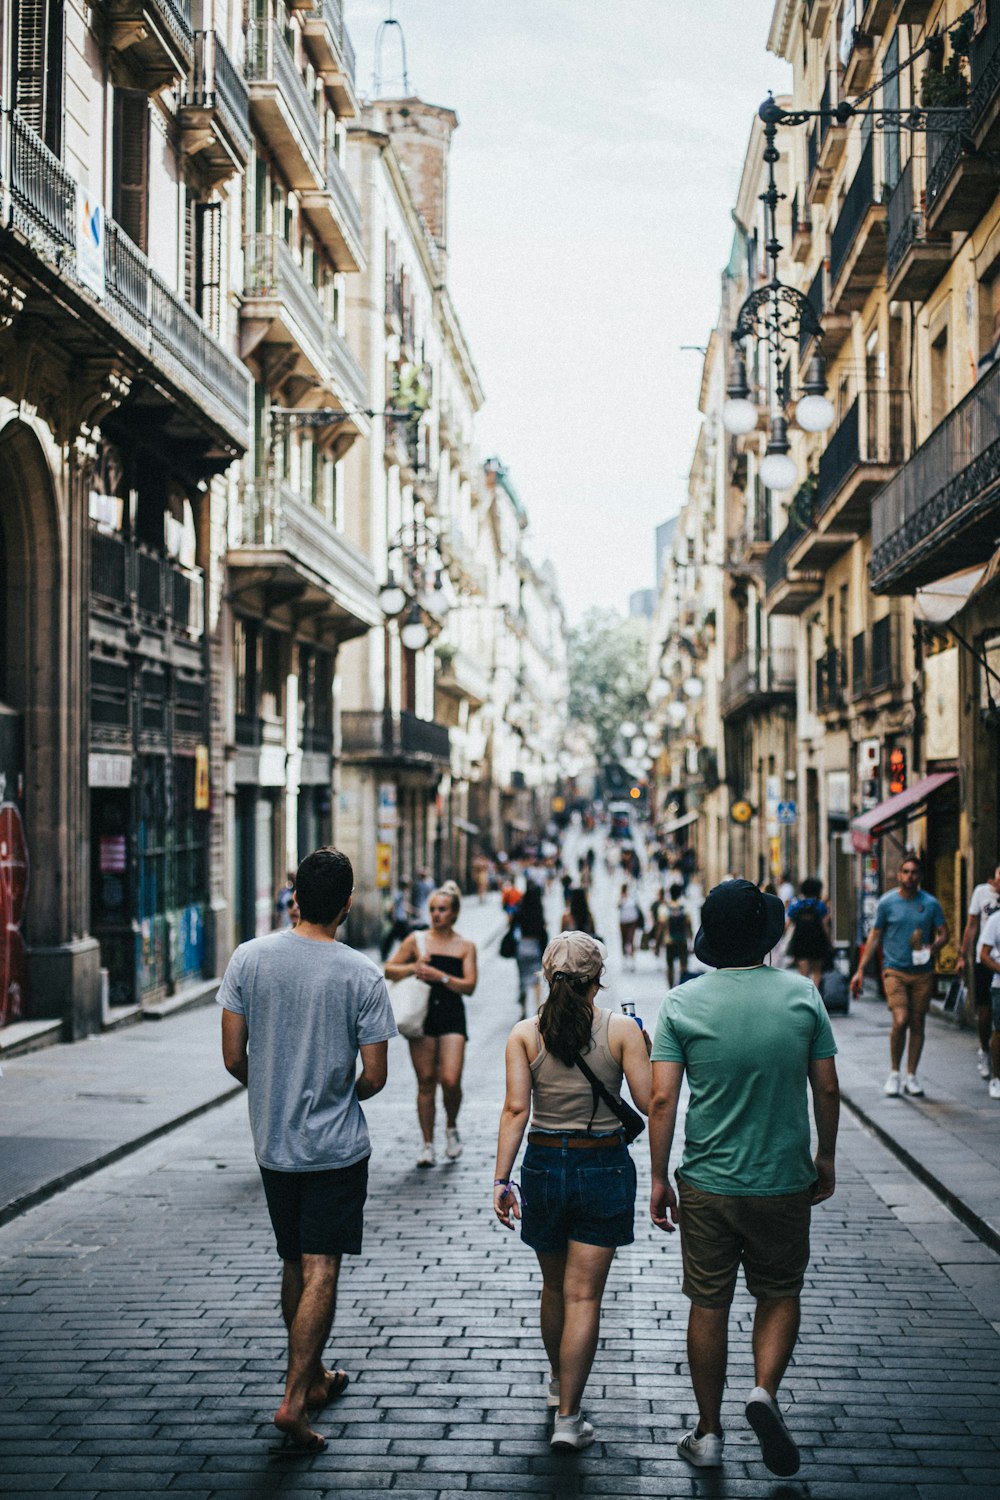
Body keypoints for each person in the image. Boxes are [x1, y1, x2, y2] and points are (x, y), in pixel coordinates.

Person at [648, 879, 840, 1476]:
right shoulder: (803, 994)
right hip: (784, 1178)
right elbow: (827, 1086)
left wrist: (658, 1178)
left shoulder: (681, 1003)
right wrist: (825, 1157)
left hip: (707, 1181)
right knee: (779, 1292)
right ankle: (763, 1391)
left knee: (707, 1303)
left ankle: (708, 1434)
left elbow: (661, 1101)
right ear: (766, 934)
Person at [219, 848, 396, 1453]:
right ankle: (294, 1401)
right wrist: (333, 1094)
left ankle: (313, 1378)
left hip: (273, 1145)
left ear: (294, 895)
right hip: (335, 1148)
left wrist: (277, 1092)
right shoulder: (361, 975)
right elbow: (375, 1075)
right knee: (323, 1267)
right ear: (347, 904)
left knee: (295, 1261)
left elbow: (233, 1057)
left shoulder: (249, 958)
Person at [493, 933, 652, 1451]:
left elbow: (516, 1110)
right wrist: (646, 1050)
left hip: (542, 1164)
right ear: (598, 978)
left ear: (546, 976)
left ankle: (557, 1384)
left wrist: (501, 1178)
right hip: (602, 1163)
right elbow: (651, 1103)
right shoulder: (621, 1029)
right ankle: (569, 1419)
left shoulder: (524, 1034)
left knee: (555, 1288)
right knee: (585, 1295)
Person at [386, 885, 478, 1168]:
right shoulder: (417, 940)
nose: (437, 915)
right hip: (422, 1015)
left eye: (443, 910)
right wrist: (414, 967)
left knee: (450, 1080)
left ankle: (451, 1126)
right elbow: (389, 968)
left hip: (451, 1015)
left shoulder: (465, 946)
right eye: (433, 909)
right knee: (426, 1081)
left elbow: (470, 986)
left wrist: (441, 977)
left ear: (454, 913)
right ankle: (427, 1144)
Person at [850, 856, 948, 1097]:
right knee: (901, 1019)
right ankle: (894, 1073)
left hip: (922, 972)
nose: (909, 876)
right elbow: (874, 936)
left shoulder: (930, 904)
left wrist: (933, 948)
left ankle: (911, 1075)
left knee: (917, 1022)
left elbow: (944, 933)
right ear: (899, 875)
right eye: (905, 871)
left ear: (920, 876)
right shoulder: (887, 902)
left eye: (914, 872)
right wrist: (861, 969)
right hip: (894, 970)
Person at [958, 863, 1000, 1081]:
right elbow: (972, 924)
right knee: (984, 1010)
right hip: (984, 959)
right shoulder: (981, 893)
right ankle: (984, 1051)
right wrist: (962, 956)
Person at [785, 877, 833, 990]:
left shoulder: (796, 905)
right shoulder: (821, 906)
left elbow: (788, 924)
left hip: (800, 941)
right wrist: (829, 942)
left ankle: (806, 996)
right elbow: (825, 926)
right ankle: (815, 995)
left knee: (804, 975)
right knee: (817, 972)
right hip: (817, 941)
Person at [512, 882, 549, 1014]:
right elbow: (542, 931)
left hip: (522, 946)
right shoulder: (538, 911)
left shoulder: (520, 909)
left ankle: (523, 1007)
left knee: (522, 977)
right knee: (536, 978)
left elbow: (513, 925)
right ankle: (537, 1006)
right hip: (535, 947)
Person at [977, 904, 1000, 1098]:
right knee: (999, 1031)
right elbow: (983, 954)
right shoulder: (995, 920)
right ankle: (996, 1078)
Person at [664, 883, 691, 988]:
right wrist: (690, 938)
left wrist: (657, 943)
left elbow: (662, 927)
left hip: (669, 941)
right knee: (683, 965)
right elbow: (689, 925)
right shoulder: (684, 909)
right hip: (682, 940)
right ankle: (682, 986)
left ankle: (671, 988)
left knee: (670, 966)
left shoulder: (665, 908)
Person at [618, 883, 642, 969]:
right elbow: (618, 905)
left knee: (631, 939)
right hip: (623, 921)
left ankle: (632, 960)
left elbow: (637, 907)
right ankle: (625, 958)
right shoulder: (621, 897)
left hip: (632, 921)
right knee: (624, 940)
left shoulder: (633, 897)